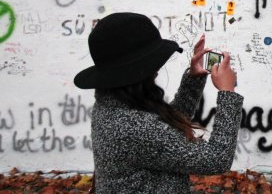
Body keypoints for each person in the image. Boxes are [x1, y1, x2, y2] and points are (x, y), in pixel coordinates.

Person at [74, 12, 243, 193]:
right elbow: (215, 159)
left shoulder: (113, 105)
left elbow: (166, 132)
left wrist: (194, 79)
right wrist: (228, 93)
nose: (157, 69)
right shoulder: (135, 127)